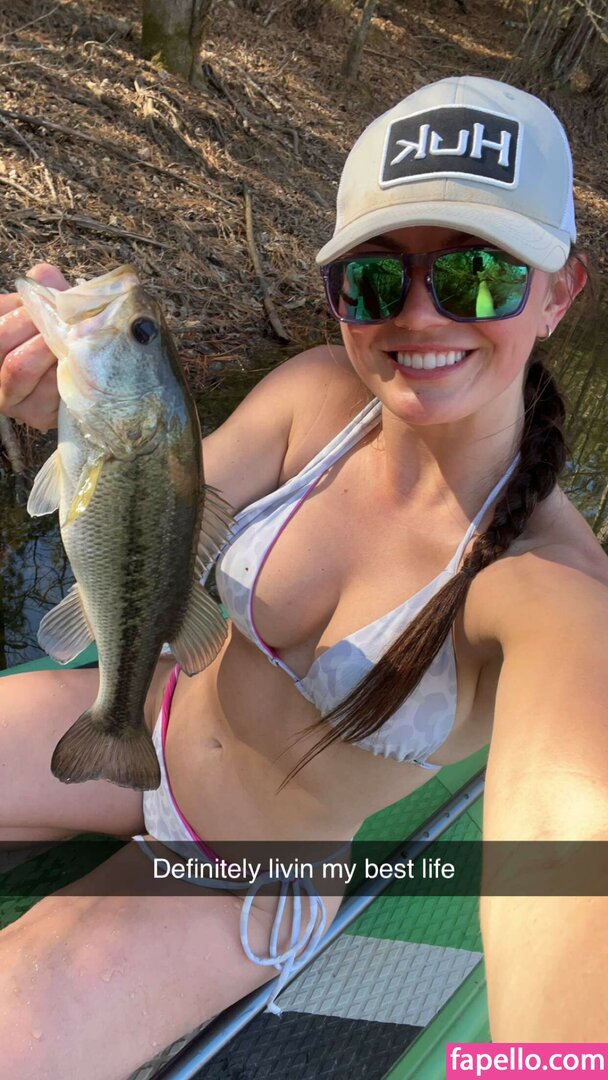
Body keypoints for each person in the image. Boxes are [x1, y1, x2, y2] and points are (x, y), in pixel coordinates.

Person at [0, 74, 606, 1078]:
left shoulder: (549, 583)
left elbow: (572, 845)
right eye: (375, 278)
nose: (419, 316)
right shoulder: (311, 396)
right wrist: (71, 422)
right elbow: (155, 508)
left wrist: (564, 1049)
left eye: (477, 276)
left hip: (245, 878)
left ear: (558, 294)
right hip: (145, 720)